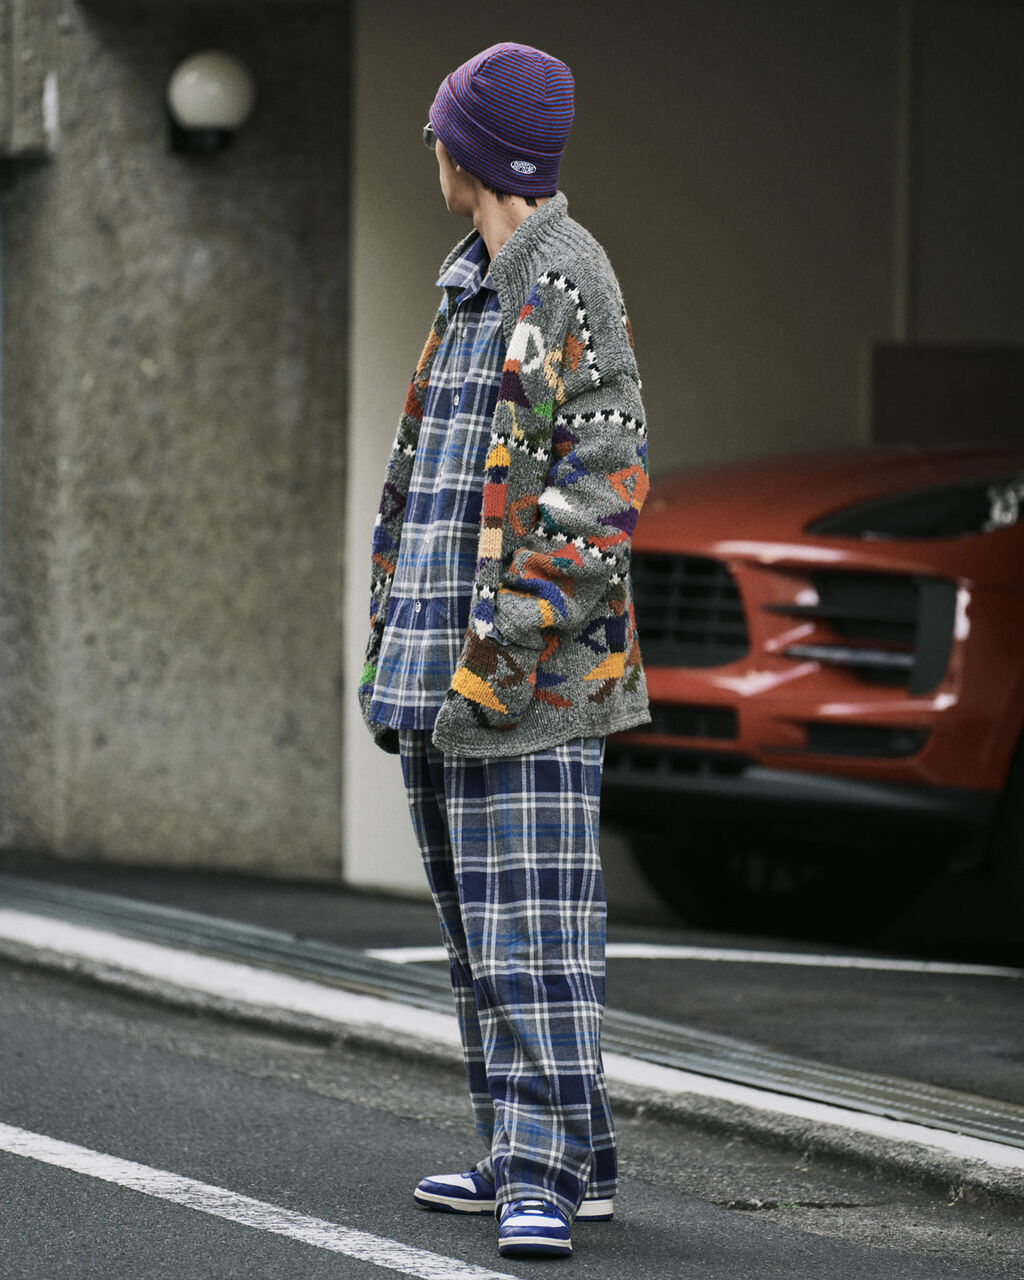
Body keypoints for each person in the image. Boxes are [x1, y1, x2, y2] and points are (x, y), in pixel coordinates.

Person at [358, 42, 650, 1261]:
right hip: (440, 674)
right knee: (484, 939)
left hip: (525, 682)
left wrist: (502, 648)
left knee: (534, 937)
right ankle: (550, 1151)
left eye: (441, 130)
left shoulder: (568, 277)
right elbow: (426, 481)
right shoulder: (469, 286)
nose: (430, 146)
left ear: (472, 151)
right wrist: (394, 639)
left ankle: (541, 1168)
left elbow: (603, 489)